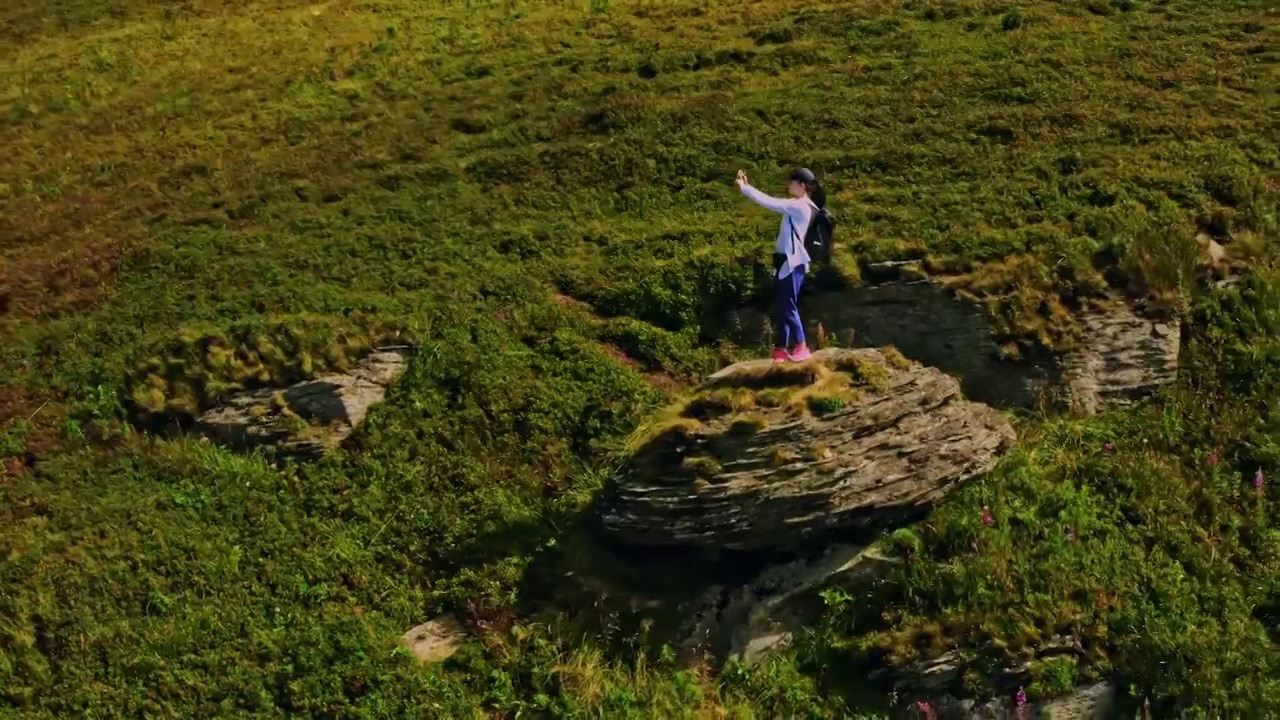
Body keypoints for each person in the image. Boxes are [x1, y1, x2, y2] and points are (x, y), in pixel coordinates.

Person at [735, 167, 826, 363]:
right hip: (788, 263)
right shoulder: (804, 205)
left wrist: (745, 188)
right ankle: (781, 350)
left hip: (792, 264)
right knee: (783, 305)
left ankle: (801, 346)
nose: (788, 185)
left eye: (792, 182)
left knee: (787, 305)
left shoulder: (800, 206)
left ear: (802, 185)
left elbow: (770, 202)